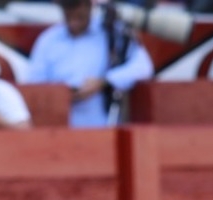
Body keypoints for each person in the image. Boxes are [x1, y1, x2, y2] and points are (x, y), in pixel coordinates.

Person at [21, 0, 153, 128]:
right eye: (68, 11)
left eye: (78, 13)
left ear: (89, 6)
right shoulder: (48, 40)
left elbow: (143, 67)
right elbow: (34, 85)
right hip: (58, 130)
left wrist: (104, 82)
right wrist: (61, 94)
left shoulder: (111, 32)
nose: (73, 19)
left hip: (104, 127)